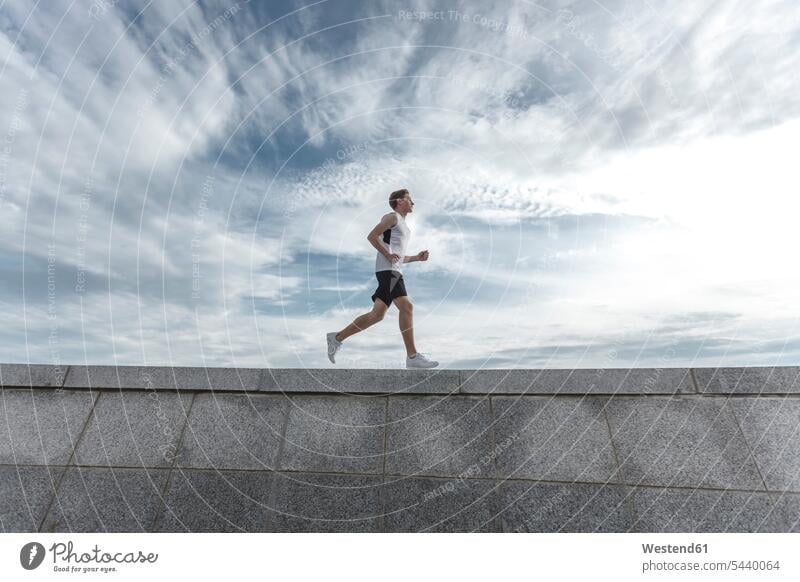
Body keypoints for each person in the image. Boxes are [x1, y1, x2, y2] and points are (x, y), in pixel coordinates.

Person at [326, 188, 439, 368]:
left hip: (393, 269)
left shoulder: (404, 226)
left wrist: (416, 258)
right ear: (399, 201)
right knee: (407, 307)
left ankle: (336, 337)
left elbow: (398, 257)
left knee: (377, 315)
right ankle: (412, 357)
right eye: (409, 199)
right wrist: (386, 254)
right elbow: (372, 236)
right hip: (388, 271)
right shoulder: (392, 217)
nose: (412, 202)